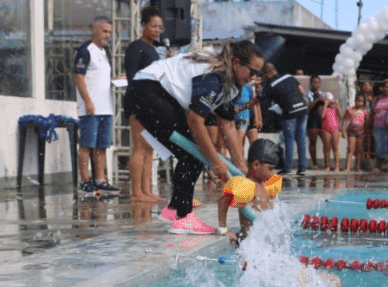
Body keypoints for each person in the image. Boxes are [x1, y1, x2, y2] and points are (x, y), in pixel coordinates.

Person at [126, 40, 264, 234]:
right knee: (192, 153)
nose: (254, 78)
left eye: (258, 74)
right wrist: (216, 163)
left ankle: (173, 210)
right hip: (146, 90)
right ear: (236, 63)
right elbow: (195, 120)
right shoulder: (213, 76)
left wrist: (241, 167)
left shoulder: (233, 86)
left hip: (155, 93)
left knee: (196, 153)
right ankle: (183, 217)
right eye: (253, 71)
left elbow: (228, 124)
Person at [74, 17, 120, 196]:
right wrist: (87, 101)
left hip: (105, 107)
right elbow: (79, 76)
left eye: (109, 32)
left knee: (102, 145)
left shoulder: (103, 52)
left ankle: (100, 179)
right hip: (90, 108)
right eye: (104, 31)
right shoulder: (86, 51)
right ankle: (85, 180)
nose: (107, 35)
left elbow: (98, 78)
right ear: (95, 30)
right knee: (86, 144)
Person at [124, 7, 164, 203]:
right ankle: (136, 192)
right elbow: (132, 78)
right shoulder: (135, 48)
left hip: (152, 103)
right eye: (154, 26)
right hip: (138, 102)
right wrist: (139, 103)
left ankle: (146, 191)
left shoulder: (154, 50)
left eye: (160, 27)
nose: (157, 30)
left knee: (149, 148)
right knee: (139, 147)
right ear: (143, 26)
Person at [217, 138, 279, 241]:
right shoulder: (246, 186)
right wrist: (223, 229)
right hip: (249, 240)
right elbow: (223, 200)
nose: (272, 174)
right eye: (270, 169)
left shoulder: (265, 185)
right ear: (256, 165)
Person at [258, 63, 308, 175]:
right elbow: (302, 91)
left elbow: (263, 100)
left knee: (289, 140)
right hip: (303, 109)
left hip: (289, 112)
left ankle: (288, 167)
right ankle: (302, 168)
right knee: (301, 139)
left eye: (264, 74)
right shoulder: (289, 76)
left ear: (267, 73)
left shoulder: (271, 84)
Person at [371, 81, 388, 172]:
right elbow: (373, 112)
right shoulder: (377, 99)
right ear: (382, 88)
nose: (387, 89)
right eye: (385, 87)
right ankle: (378, 166)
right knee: (378, 146)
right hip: (378, 125)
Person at [342, 94, 368, 172]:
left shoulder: (364, 111)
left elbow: (366, 121)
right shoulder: (350, 110)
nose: (359, 103)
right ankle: (348, 167)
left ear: (363, 102)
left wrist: (366, 130)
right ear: (355, 101)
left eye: (361, 101)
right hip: (352, 131)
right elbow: (344, 120)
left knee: (359, 149)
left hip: (361, 132)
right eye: (358, 101)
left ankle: (358, 167)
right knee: (351, 149)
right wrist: (343, 131)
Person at [304, 75, 325, 171]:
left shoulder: (322, 93)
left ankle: (327, 164)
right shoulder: (307, 94)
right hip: (312, 120)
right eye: (314, 82)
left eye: (317, 82)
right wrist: (317, 100)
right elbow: (309, 107)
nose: (316, 84)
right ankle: (314, 163)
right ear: (311, 83)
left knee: (327, 142)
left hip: (323, 120)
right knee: (313, 142)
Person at [320, 92, 341, 171]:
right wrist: (325, 105)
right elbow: (322, 116)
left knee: (335, 148)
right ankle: (327, 166)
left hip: (335, 129)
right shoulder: (323, 108)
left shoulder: (334, 108)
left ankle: (337, 166)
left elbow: (341, 115)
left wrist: (337, 104)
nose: (330, 102)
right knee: (327, 148)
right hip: (326, 129)